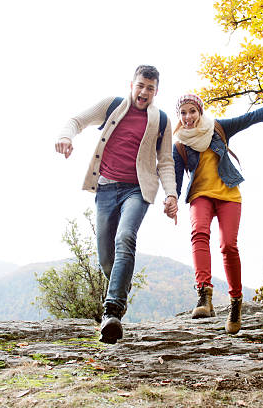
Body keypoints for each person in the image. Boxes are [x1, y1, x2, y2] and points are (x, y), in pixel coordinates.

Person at [172, 83, 263, 334]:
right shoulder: (180, 144)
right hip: (200, 195)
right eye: (182, 112)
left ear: (199, 111)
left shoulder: (218, 128)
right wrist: (170, 198)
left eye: (191, 111)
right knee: (199, 234)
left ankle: (235, 303)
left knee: (228, 245)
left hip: (228, 193)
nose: (187, 117)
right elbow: (175, 178)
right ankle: (204, 295)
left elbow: (253, 117)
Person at [55, 65, 178, 344]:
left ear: (156, 91)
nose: (144, 92)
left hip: (137, 190)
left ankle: (112, 313)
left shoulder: (161, 120)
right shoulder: (112, 106)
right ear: (131, 84)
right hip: (107, 189)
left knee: (126, 237)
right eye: (140, 86)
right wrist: (65, 136)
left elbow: (166, 161)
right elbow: (77, 120)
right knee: (106, 258)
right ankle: (121, 283)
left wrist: (171, 194)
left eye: (150, 88)